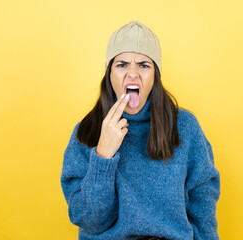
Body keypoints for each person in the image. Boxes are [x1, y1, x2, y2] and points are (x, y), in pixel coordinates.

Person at [60, 20, 221, 240]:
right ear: (109, 74)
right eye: (122, 64)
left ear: (155, 75)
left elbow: (203, 202)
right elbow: (89, 220)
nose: (133, 73)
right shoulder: (86, 132)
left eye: (144, 65)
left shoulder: (185, 126)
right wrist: (103, 156)